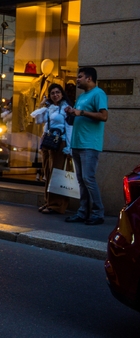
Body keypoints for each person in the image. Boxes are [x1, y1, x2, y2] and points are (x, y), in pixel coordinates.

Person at [64, 67, 108, 225]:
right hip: (77, 143)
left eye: (80, 77)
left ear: (89, 78)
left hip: (90, 144)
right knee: (81, 180)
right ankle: (83, 212)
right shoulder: (82, 96)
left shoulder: (99, 93)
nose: (77, 79)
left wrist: (81, 113)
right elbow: (78, 114)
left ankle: (98, 213)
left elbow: (104, 116)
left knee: (88, 179)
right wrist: (72, 111)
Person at [30, 84, 73, 214]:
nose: (55, 95)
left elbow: (70, 128)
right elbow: (38, 120)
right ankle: (49, 202)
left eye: (57, 92)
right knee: (48, 173)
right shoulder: (51, 108)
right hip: (48, 142)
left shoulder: (66, 108)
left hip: (60, 142)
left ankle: (57, 205)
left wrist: (69, 148)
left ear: (62, 94)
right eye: (53, 93)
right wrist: (43, 105)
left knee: (56, 173)